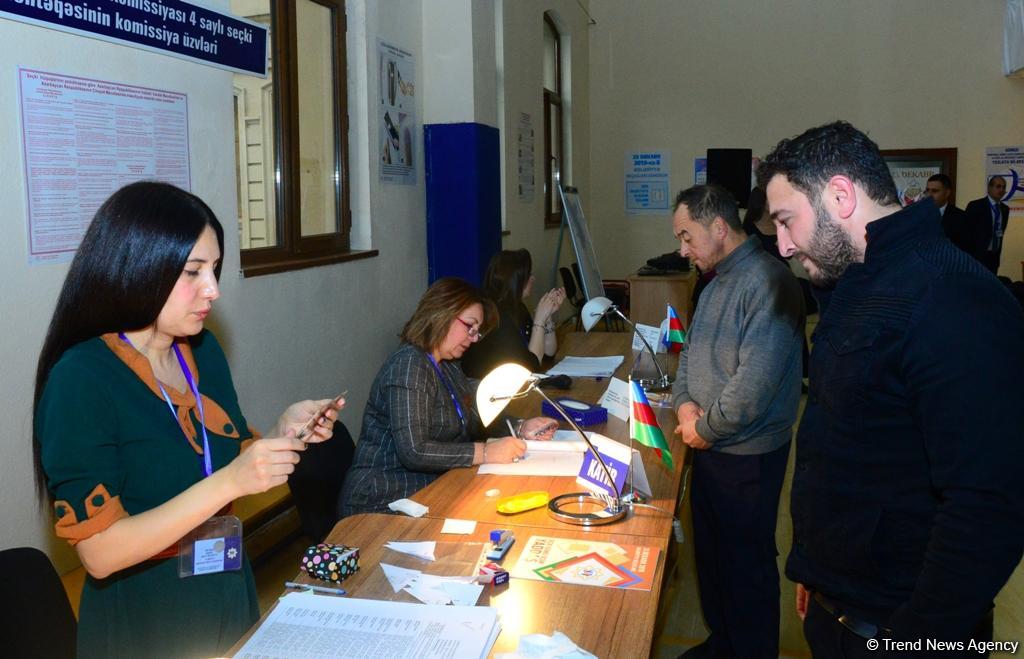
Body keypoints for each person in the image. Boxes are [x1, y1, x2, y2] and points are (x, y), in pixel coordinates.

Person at [33, 181, 343, 659]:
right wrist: (230, 482)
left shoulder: (201, 351)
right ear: (139, 267)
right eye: (193, 272)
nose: (213, 290)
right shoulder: (82, 378)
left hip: (225, 589)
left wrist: (282, 433)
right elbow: (100, 554)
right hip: (145, 619)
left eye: (214, 269)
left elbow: (220, 462)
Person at [758, 121, 1024, 658]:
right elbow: (852, 445)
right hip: (840, 605)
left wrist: (915, 638)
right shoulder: (856, 282)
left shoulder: (953, 296)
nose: (782, 244)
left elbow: (989, 506)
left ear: (840, 195)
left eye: (787, 221)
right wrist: (818, 572)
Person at [671, 184, 805, 659]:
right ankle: (723, 644)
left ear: (718, 227)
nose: (682, 250)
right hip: (708, 447)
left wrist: (703, 428)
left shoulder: (770, 282)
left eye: (687, 237)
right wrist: (684, 407)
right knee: (713, 561)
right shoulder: (714, 283)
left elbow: (754, 387)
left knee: (746, 567)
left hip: (747, 458)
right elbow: (688, 357)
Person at [338, 277, 558, 517]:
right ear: (441, 314)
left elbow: (474, 412)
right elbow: (414, 451)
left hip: (426, 489)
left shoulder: (447, 366)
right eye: (470, 327)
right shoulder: (409, 365)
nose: (474, 338)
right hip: (380, 501)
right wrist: (486, 452)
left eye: (477, 332)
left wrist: (520, 426)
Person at [461, 249, 565, 378]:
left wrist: (547, 317)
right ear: (516, 281)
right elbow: (531, 367)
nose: (533, 278)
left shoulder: (517, 307)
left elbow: (548, 354)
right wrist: (539, 319)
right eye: (528, 275)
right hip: (486, 385)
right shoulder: (497, 317)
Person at [964, 175, 1011, 273]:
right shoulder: (976, 205)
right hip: (976, 257)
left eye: (1003, 187)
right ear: (989, 188)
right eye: (998, 186)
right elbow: (966, 233)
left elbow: (1001, 232)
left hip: (994, 257)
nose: (1001, 190)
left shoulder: (1005, 209)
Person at [925, 173, 971, 254]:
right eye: (927, 190)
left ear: (947, 193)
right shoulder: (918, 216)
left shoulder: (961, 217)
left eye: (935, 191)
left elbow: (964, 249)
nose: (929, 195)